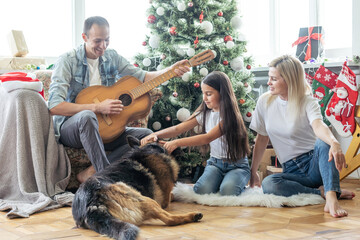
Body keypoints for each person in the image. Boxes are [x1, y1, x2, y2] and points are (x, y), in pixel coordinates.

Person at [48, 16, 190, 183]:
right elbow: (55, 106)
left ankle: (92, 172)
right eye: (97, 41)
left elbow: (143, 77)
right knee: (87, 116)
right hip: (72, 127)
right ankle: (104, 181)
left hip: (104, 130)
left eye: (107, 40)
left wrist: (170, 70)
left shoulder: (111, 57)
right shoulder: (67, 60)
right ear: (84, 37)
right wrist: (97, 107)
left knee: (146, 136)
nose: (103, 46)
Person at [249, 55, 355, 218]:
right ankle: (320, 192)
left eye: (273, 79)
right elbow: (261, 138)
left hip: (315, 164)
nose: (268, 82)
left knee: (324, 142)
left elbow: (319, 125)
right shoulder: (264, 102)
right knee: (269, 183)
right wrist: (253, 171)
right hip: (291, 171)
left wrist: (334, 142)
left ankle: (332, 198)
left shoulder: (307, 101)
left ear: (289, 80)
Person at [141, 71, 251, 196]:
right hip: (216, 164)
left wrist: (176, 142)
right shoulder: (204, 112)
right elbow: (178, 129)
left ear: (222, 94)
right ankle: (222, 179)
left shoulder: (230, 117)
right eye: (203, 93)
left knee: (228, 191)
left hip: (237, 165)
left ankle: (237, 177)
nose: (204, 98)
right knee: (201, 190)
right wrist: (155, 134)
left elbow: (207, 138)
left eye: (209, 94)